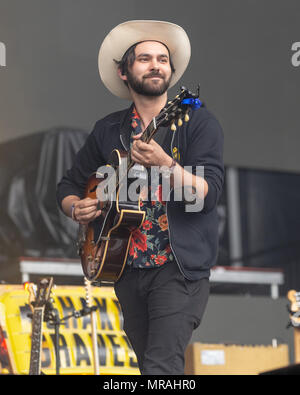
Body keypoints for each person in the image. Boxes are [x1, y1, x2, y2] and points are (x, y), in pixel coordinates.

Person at [56, 20, 224, 375]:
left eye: (163, 59)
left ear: (171, 71)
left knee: (161, 368)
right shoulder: (108, 129)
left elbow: (208, 195)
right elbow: (69, 185)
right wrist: (77, 208)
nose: (156, 65)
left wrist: (166, 163)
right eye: (145, 58)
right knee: (149, 369)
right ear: (123, 72)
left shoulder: (196, 121)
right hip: (125, 267)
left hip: (177, 269)